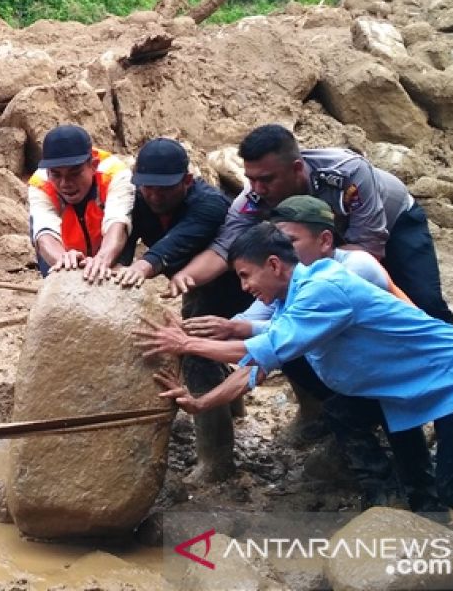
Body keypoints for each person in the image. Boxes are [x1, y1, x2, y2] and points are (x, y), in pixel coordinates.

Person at [141, 223, 453, 543]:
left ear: (274, 264)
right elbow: (253, 368)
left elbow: (262, 350)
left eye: (245, 275)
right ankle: (424, 524)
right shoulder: (292, 303)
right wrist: (201, 404)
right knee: (358, 425)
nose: (245, 287)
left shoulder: (322, 290)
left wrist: (186, 343)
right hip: (406, 392)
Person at [183, 197, 436, 508]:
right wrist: (213, 332)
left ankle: (412, 494)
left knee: (398, 425)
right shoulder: (293, 283)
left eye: (289, 241)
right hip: (370, 370)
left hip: (402, 370)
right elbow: (259, 324)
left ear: (325, 240)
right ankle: (389, 492)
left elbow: (292, 333)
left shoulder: (348, 270)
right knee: (342, 409)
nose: (281, 250)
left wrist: (195, 344)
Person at [165, 124, 453, 323]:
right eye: (251, 178)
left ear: (297, 168)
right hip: (323, 242)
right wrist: (184, 278)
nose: (257, 188)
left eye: (266, 179)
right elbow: (225, 249)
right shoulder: (251, 198)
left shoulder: (348, 172)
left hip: (391, 223)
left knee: (424, 303)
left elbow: (369, 250)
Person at [114, 137, 251, 482]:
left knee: (198, 356)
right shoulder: (138, 201)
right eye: (148, 189)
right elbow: (123, 240)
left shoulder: (209, 203)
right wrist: (115, 267)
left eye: (166, 190)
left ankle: (216, 460)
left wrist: (143, 268)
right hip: (193, 288)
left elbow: (177, 242)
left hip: (240, 286)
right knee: (200, 351)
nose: (155, 197)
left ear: (187, 182)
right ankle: (232, 408)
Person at [27, 124, 135, 282]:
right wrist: (62, 260)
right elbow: (45, 233)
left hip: (106, 246)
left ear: (93, 165)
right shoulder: (40, 183)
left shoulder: (116, 174)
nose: (65, 183)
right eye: (56, 175)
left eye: (74, 174)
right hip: (67, 249)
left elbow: (117, 223)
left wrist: (101, 260)